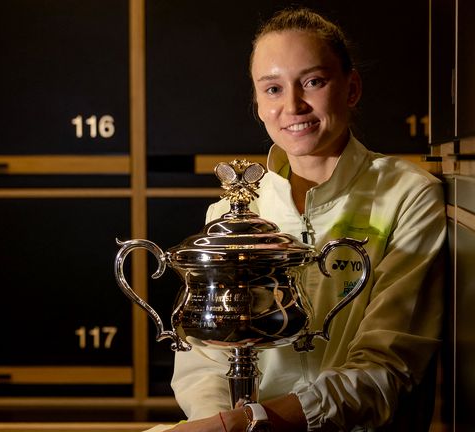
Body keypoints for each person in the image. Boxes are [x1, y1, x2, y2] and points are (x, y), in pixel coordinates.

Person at [166, 6, 446, 431]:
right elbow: (203, 358)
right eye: (273, 88)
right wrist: (220, 424)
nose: (293, 105)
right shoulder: (231, 212)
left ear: (351, 89)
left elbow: (385, 367)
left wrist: (248, 424)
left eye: (313, 82)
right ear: (258, 103)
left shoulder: (408, 195)